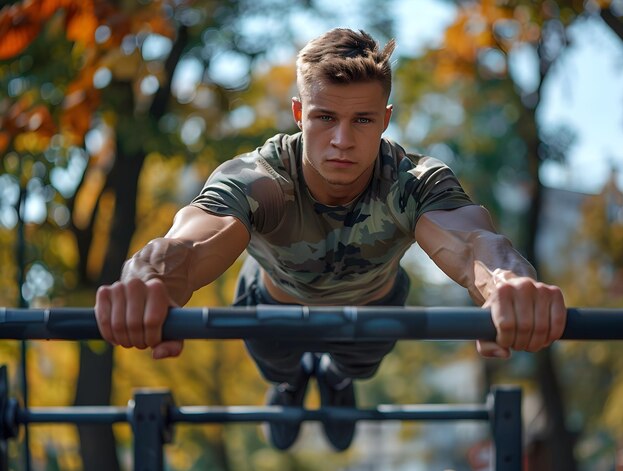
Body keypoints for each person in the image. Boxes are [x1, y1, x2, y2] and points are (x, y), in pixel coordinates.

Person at [94, 28, 566, 452]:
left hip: (371, 307)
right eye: (325, 117)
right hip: (274, 303)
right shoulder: (260, 179)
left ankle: (339, 377)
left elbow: (472, 241)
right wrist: (149, 280)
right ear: (299, 114)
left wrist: (505, 283)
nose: (342, 139)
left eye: (361, 120)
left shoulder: (414, 181)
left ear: (384, 120)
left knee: (357, 366)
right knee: (276, 366)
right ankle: (289, 383)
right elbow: (191, 241)